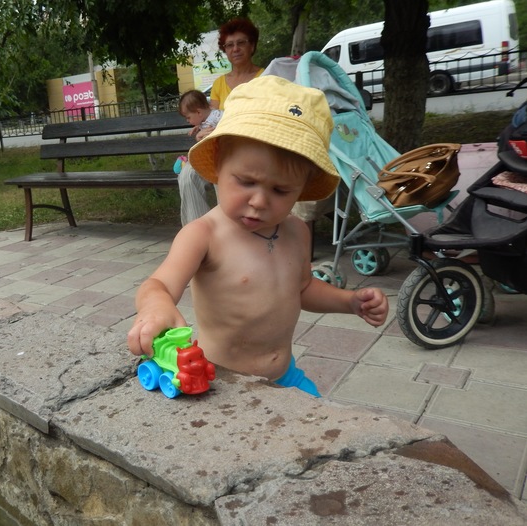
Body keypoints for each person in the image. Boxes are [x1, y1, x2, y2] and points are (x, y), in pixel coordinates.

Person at [127, 76, 389, 397]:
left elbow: (302, 288)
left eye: (281, 190)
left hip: (287, 374)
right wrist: (155, 306)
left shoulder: (296, 230)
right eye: (246, 181)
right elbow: (159, 284)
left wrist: (349, 302)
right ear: (219, 164)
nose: (260, 201)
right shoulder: (203, 235)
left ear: (302, 188)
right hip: (225, 385)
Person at [178, 17, 264, 226]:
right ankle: (196, 232)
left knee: (223, 174)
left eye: (241, 43)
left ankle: (228, 232)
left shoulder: (265, 78)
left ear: (252, 46)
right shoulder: (219, 83)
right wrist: (202, 133)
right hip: (221, 147)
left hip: (251, 148)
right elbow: (211, 118)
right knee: (187, 175)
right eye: (229, 45)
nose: (235, 49)